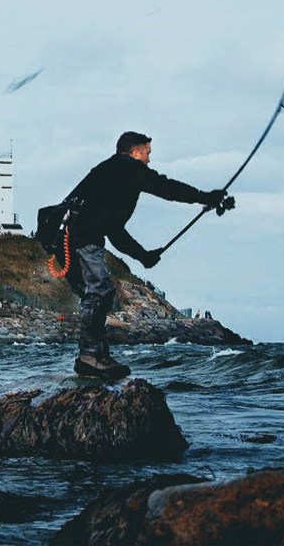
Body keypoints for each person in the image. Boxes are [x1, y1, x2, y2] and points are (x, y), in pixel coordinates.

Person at [62, 131, 231, 381]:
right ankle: (90, 357)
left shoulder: (111, 172)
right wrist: (204, 197)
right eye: (148, 153)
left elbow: (114, 231)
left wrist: (143, 256)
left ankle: (96, 356)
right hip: (79, 237)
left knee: (97, 293)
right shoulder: (126, 167)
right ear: (135, 151)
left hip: (77, 234)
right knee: (99, 292)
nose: (149, 160)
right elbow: (165, 187)